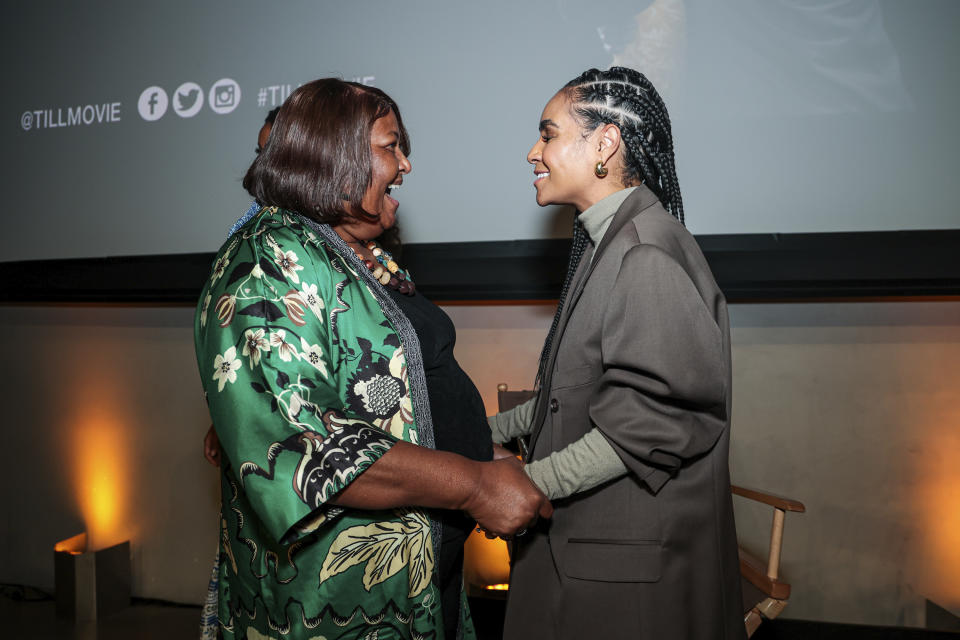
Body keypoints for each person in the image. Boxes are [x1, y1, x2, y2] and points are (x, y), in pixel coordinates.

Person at [194, 78, 552, 640]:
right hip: (336, 606)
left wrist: (484, 452)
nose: (405, 164)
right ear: (334, 153)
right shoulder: (265, 261)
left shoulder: (346, 248)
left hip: (426, 569)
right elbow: (306, 444)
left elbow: (397, 395)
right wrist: (474, 485)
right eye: (391, 145)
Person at [488, 67, 746, 639]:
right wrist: (485, 430)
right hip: (597, 560)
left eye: (549, 134)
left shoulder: (646, 254)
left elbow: (646, 427)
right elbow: (573, 392)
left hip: (625, 580)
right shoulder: (609, 244)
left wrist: (527, 486)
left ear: (604, 143)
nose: (534, 151)